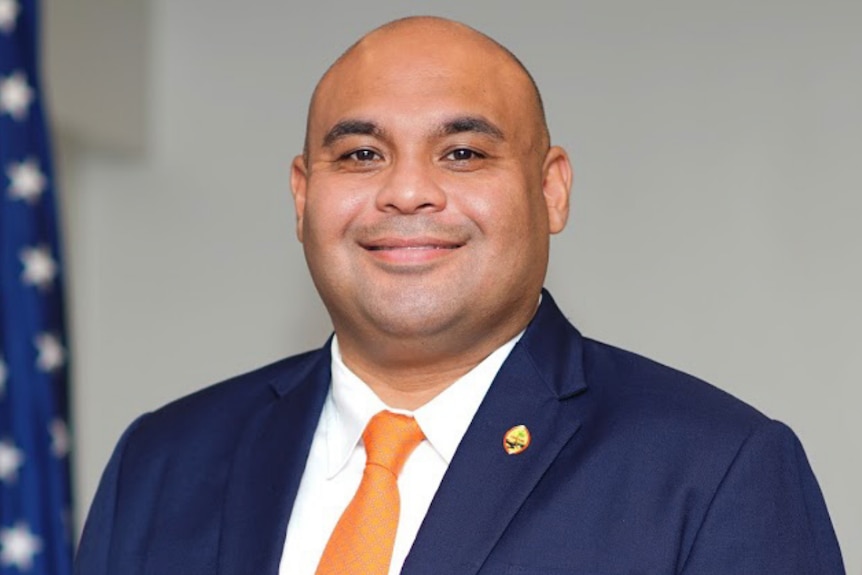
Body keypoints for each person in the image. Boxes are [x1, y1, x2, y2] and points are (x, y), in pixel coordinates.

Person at [75, 16, 845, 575]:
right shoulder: (162, 461)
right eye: (363, 153)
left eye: (464, 152)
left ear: (551, 191)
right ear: (303, 196)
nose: (407, 190)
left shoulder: (715, 471)